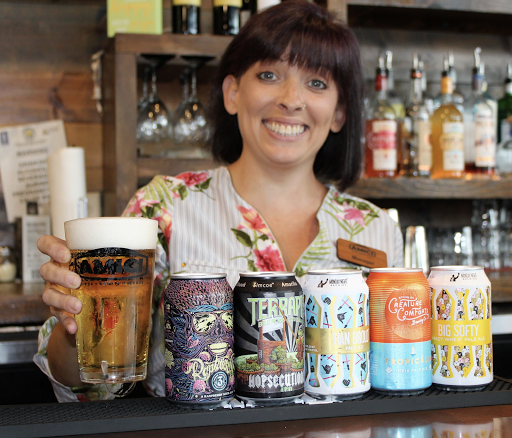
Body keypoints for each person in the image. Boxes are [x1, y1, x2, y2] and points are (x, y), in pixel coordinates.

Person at [35, 0, 403, 402]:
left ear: (339, 113)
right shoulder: (165, 207)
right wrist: (73, 327)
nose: (292, 99)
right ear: (232, 93)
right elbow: (91, 389)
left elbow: (397, 373)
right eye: (269, 74)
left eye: (317, 83)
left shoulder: (376, 228)